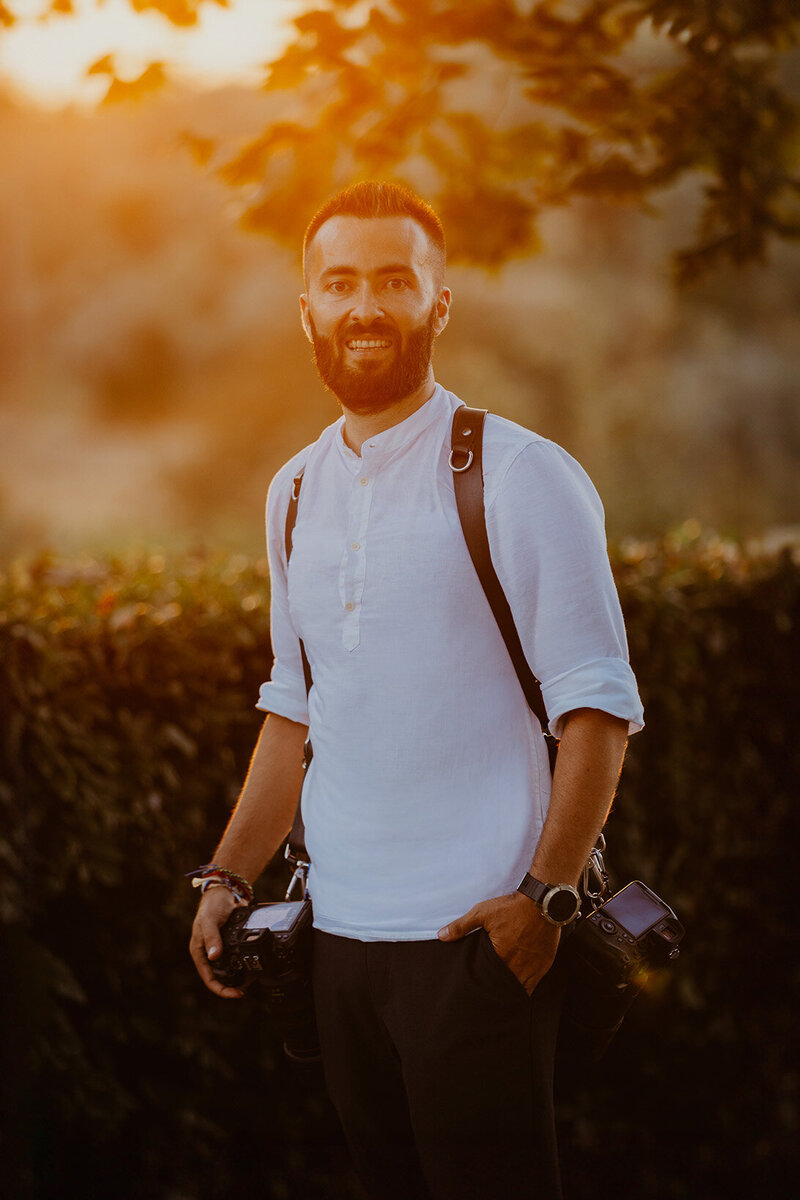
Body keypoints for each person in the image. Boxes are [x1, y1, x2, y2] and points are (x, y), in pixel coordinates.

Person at [190, 180, 644, 1200]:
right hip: (336, 947)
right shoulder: (294, 489)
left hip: (476, 940)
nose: (364, 307)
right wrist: (226, 879)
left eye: (393, 281)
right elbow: (290, 708)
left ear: (439, 302)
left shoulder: (523, 475)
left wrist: (544, 904)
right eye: (338, 283)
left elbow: (596, 711)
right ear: (305, 308)